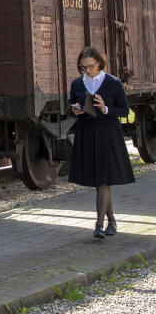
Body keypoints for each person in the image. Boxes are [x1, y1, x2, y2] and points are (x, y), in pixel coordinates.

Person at [69, 46, 135, 239]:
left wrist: (106, 109)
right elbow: (71, 106)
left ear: (99, 62)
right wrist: (75, 111)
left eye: (90, 66)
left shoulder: (113, 82)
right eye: (83, 67)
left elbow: (124, 111)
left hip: (108, 134)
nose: (86, 70)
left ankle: (99, 225)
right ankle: (112, 221)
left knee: (103, 181)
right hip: (87, 134)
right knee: (100, 181)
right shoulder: (77, 84)